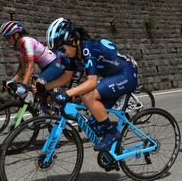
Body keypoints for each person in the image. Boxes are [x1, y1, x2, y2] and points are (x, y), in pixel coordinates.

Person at [46, 17, 138, 151]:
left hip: (126, 74)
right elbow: (66, 77)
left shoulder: (86, 48)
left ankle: (112, 133)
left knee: (88, 94)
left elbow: (91, 82)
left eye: (62, 49)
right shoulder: (75, 54)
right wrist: (45, 87)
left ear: (72, 41)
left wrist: (66, 94)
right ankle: (113, 152)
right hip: (112, 77)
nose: (61, 53)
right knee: (94, 120)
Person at [0, 21, 67, 97]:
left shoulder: (27, 42)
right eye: (5, 38)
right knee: (40, 95)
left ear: (16, 35)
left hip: (55, 65)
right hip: (45, 68)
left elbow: (30, 67)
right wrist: (13, 80)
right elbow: (22, 67)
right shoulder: (18, 47)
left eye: (8, 37)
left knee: (36, 86)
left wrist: (23, 85)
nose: (7, 40)